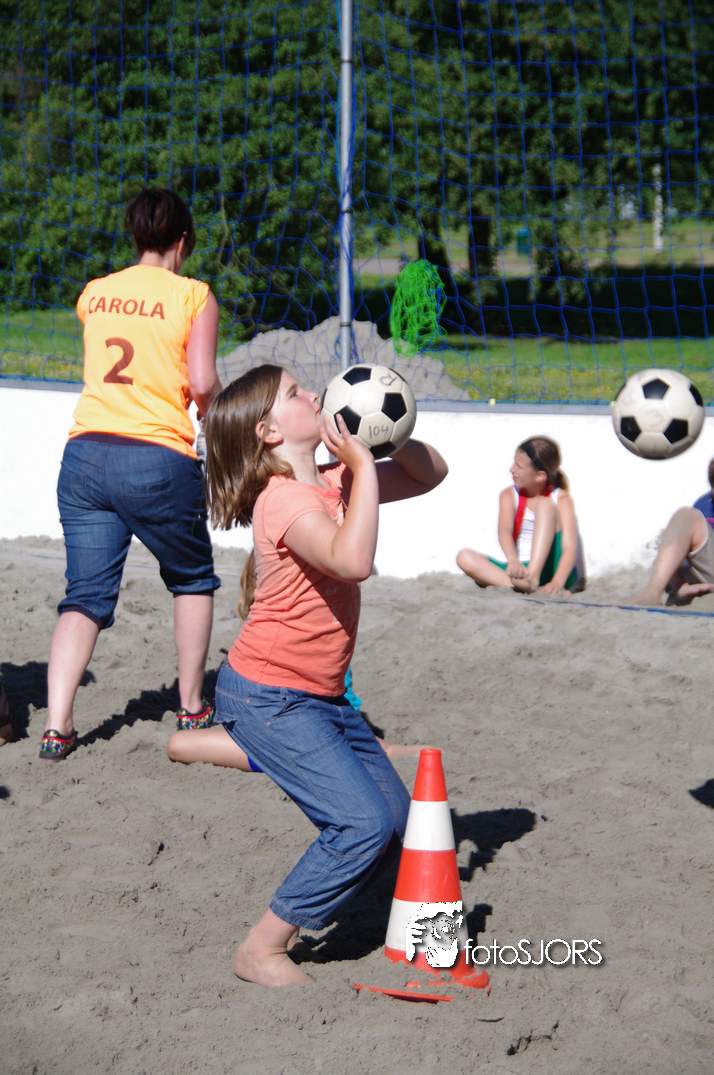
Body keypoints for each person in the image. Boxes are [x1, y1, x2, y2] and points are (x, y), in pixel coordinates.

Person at [170, 364, 448, 987]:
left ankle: (218, 741)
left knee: (399, 825)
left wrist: (391, 436)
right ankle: (262, 948)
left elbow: (431, 474)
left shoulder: (331, 477)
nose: (316, 394)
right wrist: (364, 468)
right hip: (269, 696)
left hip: (320, 698)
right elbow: (352, 561)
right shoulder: (284, 501)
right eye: (296, 393)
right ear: (269, 432)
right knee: (360, 825)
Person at [40, 187, 222, 762]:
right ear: (182, 242)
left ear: (136, 235)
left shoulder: (95, 293)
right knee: (192, 578)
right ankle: (192, 706)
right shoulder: (194, 295)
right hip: (156, 457)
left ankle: (57, 725)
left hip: (84, 456)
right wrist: (221, 416)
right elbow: (202, 382)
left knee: (84, 596)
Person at [456, 436, 583, 595]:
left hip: (552, 571)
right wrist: (513, 560)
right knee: (464, 557)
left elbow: (569, 548)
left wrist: (558, 582)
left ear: (540, 476)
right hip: (520, 570)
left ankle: (532, 579)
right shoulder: (508, 495)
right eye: (514, 462)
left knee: (545, 504)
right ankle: (524, 586)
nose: (511, 469)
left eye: (518, 466)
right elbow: (504, 530)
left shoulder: (561, 498)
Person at [628, 458, 714, 607]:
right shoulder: (704, 505)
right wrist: (680, 583)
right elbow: (680, 552)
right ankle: (653, 593)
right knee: (684, 516)